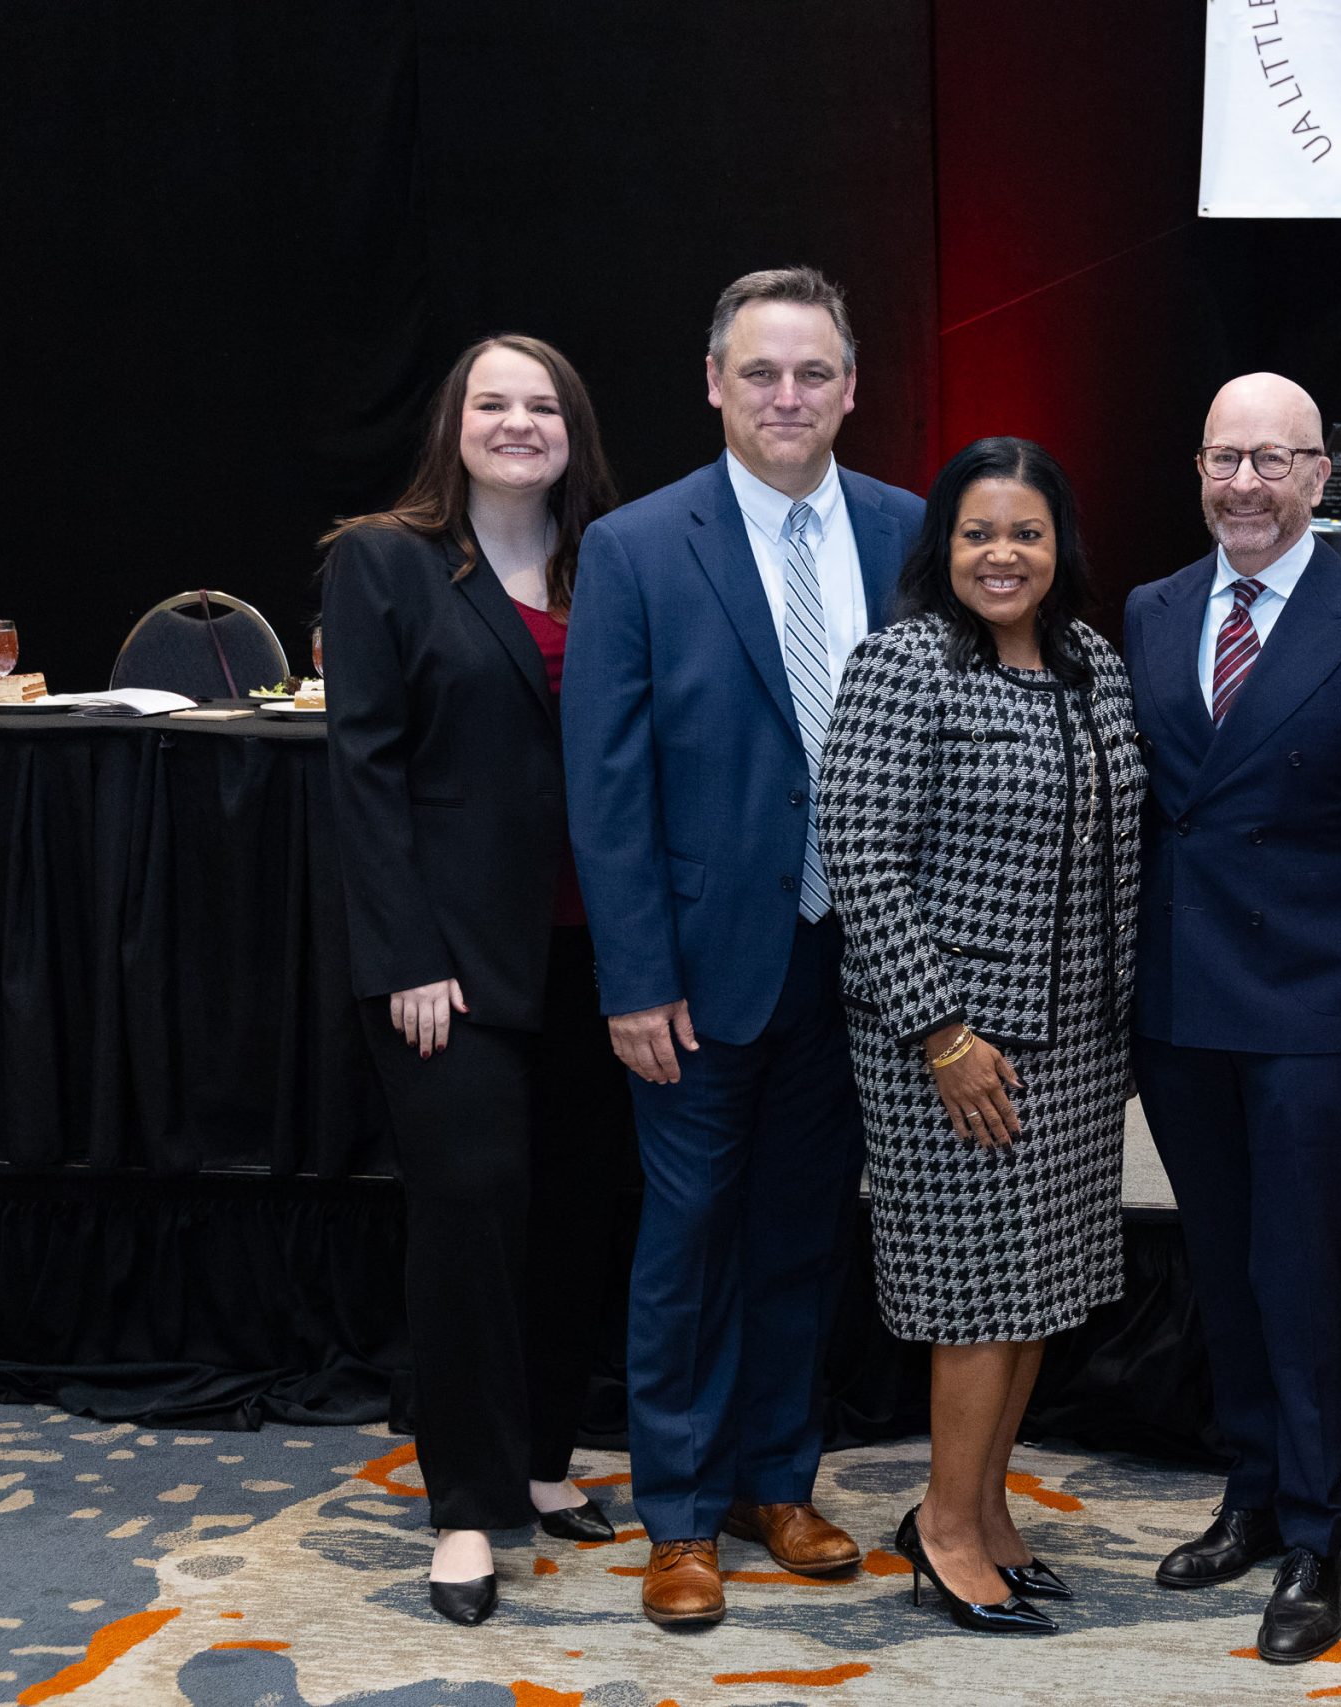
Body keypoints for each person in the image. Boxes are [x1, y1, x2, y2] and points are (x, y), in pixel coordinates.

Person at [561, 267, 924, 1629]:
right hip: (699, 974)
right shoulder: (641, 546)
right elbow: (605, 785)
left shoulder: (906, 529)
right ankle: (678, 1514)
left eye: (813, 373)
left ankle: (780, 1480)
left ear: (850, 386)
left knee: (799, 1237)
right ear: (715, 382)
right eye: (761, 372)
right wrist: (635, 975)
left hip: (859, 968)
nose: (788, 396)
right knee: (687, 1241)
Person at [1123, 373, 1341, 1664]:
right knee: (1221, 1260)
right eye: (1224, 458)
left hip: (1312, 1007)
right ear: (1198, 467)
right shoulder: (1150, 610)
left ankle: (1316, 1527)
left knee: (1302, 1271)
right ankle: (1250, 1493)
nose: (1244, 483)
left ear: (1322, 474)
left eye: (1273, 460)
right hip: (1180, 1005)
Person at [322, 334, 628, 1626]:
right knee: (471, 1209)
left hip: (604, 957)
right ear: (454, 421)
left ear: (574, 426)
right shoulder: (381, 560)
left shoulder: (611, 557)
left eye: (541, 403)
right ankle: (464, 1502)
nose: (517, 422)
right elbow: (365, 766)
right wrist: (407, 952)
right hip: (446, 965)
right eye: (492, 401)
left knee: (583, 1205)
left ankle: (544, 1460)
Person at [820, 436, 1146, 1636]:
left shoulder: (1094, 668)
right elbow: (860, 858)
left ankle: (985, 1509)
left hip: (1074, 1046)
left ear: (1059, 547)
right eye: (976, 533)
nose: (1001, 555)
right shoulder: (904, 664)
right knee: (974, 1301)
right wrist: (942, 1033)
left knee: (1037, 1292)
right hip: (953, 1051)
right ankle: (943, 1528)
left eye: (1025, 533)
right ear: (941, 548)